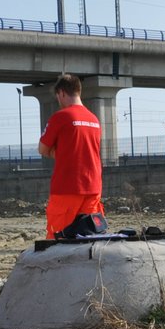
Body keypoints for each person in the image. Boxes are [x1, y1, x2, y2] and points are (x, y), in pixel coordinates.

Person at [37, 73, 104, 238]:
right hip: (93, 187)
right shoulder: (94, 119)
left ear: (61, 93)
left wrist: (60, 152)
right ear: (79, 91)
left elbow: (42, 149)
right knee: (90, 237)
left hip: (67, 188)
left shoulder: (61, 117)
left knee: (58, 239)